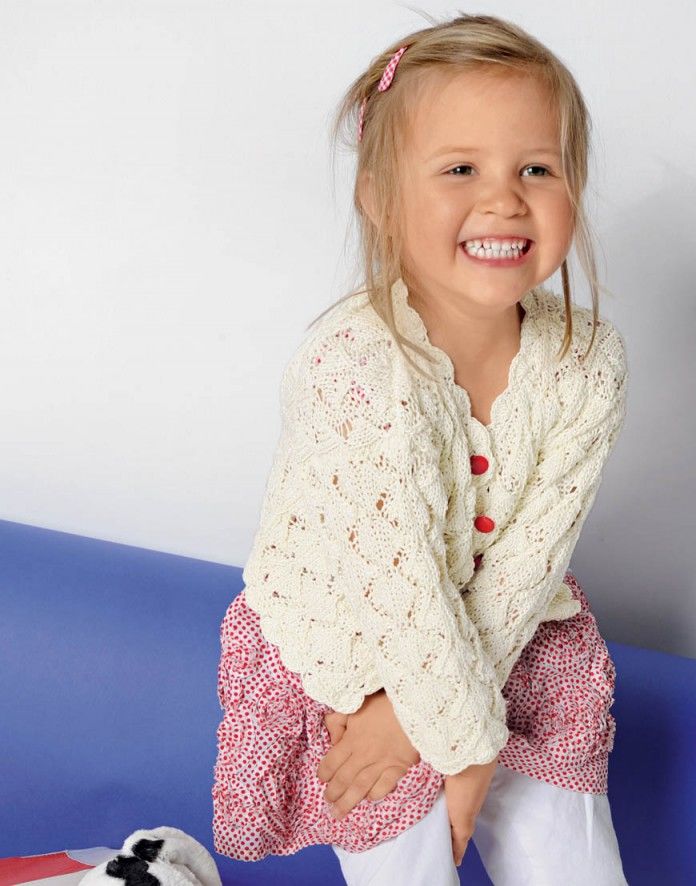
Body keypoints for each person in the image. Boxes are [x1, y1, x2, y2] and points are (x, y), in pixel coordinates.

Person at [212, 12, 630, 885]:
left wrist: (470, 752)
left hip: (511, 639)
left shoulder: (588, 361)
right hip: (360, 661)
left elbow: (529, 561)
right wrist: (447, 739)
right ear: (379, 198)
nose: (504, 198)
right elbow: (398, 593)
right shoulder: (354, 369)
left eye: (537, 168)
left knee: (576, 867)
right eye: (460, 169)